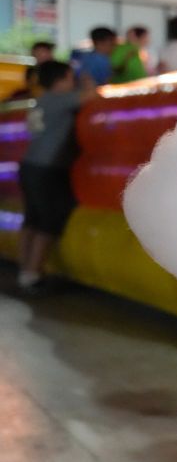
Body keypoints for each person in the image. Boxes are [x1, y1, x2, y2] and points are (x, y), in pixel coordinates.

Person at [17, 61, 97, 293]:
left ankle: (25, 270)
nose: (73, 82)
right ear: (60, 80)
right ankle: (33, 274)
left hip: (31, 165)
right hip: (48, 168)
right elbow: (90, 96)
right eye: (71, 78)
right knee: (50, 220)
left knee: (32, 219)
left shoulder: (40, 101)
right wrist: (88, 82)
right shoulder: (59, 99)